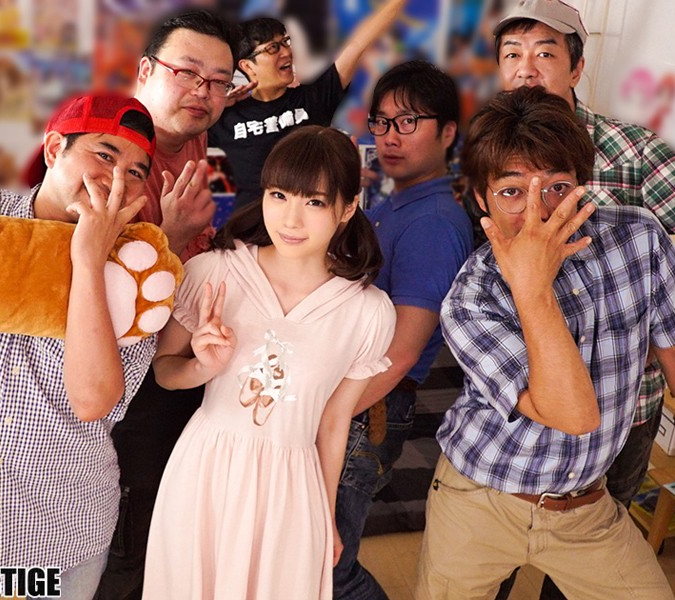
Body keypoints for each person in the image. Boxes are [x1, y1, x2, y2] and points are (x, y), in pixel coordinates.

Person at [414, 85, 675, 600]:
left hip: (587, 508)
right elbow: (574, 414)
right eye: (511, 192)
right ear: (481, 198)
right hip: (480, 499)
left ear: (581, 186)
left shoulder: (639, 239)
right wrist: (532, 286)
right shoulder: (471, 300)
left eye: (557, 187)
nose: (538, 213)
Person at [0, 92, 159, 600]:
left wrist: (89, 261)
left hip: (60, 517)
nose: (117, 180)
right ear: (55, 148)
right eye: (104, 155)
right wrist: (48, 255)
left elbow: (93, 399)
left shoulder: (138, 269)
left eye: (136, 172)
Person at [492, 2, 675, 596]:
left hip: (623, 403)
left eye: (545, 52)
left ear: (577, 67)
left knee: (587, 566)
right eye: (512, 54)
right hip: (517, 398)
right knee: (492, 549)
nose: (527, 68)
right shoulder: (485, 151)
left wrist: (652, 314)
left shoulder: (632, 151)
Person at [141, 126, 397, 600]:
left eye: (314, 202)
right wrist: (202, 366)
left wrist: (326, 516)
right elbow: (164, 371)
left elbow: (333, 423)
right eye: (279, 195)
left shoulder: (367, 312)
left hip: (291, 487)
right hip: (206, 471)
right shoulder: (214, 271)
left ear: (347, 208)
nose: (291, 219)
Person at [89, 10, 252, 599]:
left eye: (218, 82)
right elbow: (87, 290)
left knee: (175, 518)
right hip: (123, 382)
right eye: (186, 72)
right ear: (144, 71)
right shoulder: (107, 153)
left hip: (182, 356)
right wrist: (175, 237)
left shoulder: (194, 134)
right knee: (125, 531)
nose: (202, 92)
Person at [333, 60, 474, 600]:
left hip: (368, 406)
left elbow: (403, 351)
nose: (390, 136)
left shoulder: (433, 220)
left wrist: (330, 412)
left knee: (331, 567)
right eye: (382, 121)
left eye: (408, 121)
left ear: (448, 132)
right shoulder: (399, 199)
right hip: (355, 398)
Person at [208, 0, 407, 210]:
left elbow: (357, 45)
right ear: (247, 66)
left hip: (307, 221)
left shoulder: (313, 99)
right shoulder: (226, 116)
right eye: (273, 48)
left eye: (286, 42)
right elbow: (182, 136)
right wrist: (215, 106)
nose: (286, 52)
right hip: (249, 226)